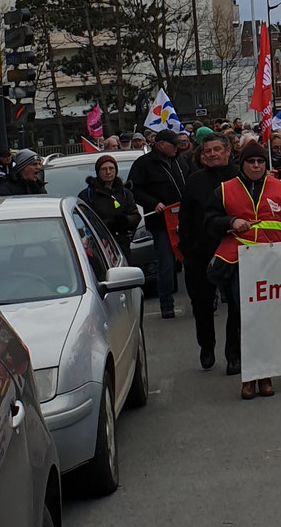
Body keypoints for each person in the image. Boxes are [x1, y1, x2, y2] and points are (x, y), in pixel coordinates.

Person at [205, 141, 281, 398]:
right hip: (238, 262)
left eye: (260, 162)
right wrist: (231, 221)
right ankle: (249, 377)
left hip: (273, 261)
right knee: (247, 319)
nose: (256, 166)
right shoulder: (224, 189)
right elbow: (208, 221)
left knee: (267, 320)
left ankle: (266, 375)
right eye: (251, 162)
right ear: (241, 165)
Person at [178, 133, 237, 369]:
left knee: (235, 304)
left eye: (216, 150)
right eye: (207, 151)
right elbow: (185, 217)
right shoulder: (195, 180)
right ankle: (206, 346)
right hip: (200, 253)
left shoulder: (238, 175)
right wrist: (188, 250)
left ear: (227, 150)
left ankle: (234, 354)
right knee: (202, 305)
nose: (212, 154)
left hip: (233, 250)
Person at [127, 130, 187, 318]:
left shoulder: (180, 160)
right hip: (161, 222)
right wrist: (152, 203)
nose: (177, 147)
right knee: (166, 263)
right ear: (160, 144)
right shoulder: (143, 164)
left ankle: (202, 300)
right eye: (173, 144)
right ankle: (166, 304)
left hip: (185, 219)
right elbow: (133, 190)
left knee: (192, 261)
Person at [82, 155, 141, 256]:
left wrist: (126, 220)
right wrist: (107, 223)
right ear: (98, 172)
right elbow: (84, 221)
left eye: (111, 168)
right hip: (99, 246)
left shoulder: (125, 193)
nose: (108, 172)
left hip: (122, 244)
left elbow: (136, 215)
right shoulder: (87, 195)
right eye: (104, 169)